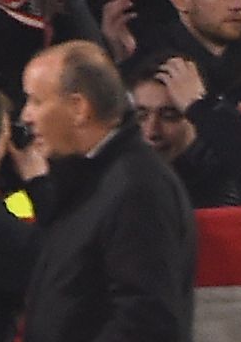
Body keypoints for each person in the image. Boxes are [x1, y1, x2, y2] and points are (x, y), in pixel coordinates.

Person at [15, 44, 195, 342]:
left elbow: (146, 323)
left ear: (78, 107)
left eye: (35, 101)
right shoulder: (91, 178)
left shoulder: (137, 188)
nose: (26, 116)